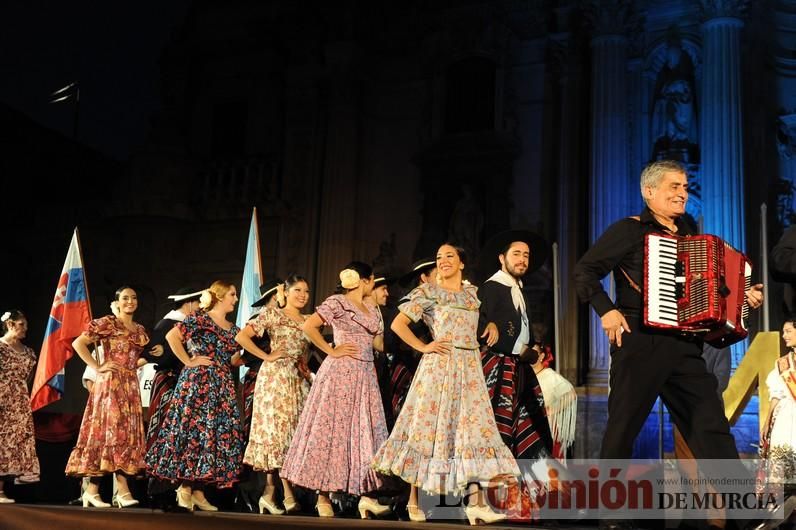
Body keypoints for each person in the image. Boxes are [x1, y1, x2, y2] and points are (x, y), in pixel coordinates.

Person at [573, 160, 764, 529]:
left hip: (685, 346)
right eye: (673, 186)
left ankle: (743, 513)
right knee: (623, 427)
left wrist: (744, 299)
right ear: (650, 192)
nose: (682, 193)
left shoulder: (690, 233)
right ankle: (612, 516)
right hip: (640, 344)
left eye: (685, 187)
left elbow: (712, 289)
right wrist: (607, 311)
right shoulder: (628, 231)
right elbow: (585, 271)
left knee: (710, 425)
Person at [372, 243, 520, 525]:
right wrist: (424, 346)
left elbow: (479, 322)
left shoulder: (472, 294)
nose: (443, 261)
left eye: (449, 256)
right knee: (426, 429)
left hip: (470, 369)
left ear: (462, 263)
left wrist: (490, 327)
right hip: (439, 367)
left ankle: (476, 503)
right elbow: (398, 325)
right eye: (439, 257)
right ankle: (414, 499)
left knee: (473, 431)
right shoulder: (428, 292)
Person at [281, 262, 391, 519]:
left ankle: (366, 496)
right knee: (334, 430)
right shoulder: (337, 302)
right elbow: (309, 327)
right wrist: (331, 350)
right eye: (372, 281)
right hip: (340, 374)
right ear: (367, 280)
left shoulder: (372, 309)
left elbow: (377, 342)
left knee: (366, 432)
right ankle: (322, 495)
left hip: (365, 375)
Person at [146, 280, 243, 512]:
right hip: (198, 383)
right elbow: (172, 337)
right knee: (193, 432)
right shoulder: (200, 318)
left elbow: (231, 360)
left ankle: (198, 491)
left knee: (211, 435)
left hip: (221, 385)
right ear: (219, 296)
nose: (236, 299)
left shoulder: (233, 328)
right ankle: (185, 488)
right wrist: (188, 361)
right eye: (232, 294)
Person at [66, 286, 151, 508]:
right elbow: (78, 343)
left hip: (130, 384)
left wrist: (148, 357)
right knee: (110, 434)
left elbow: (133, 357)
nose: (130, 301)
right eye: (125, 298)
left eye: (134, 297)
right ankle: (119, 491)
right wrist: (98, 366)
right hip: (111, 384)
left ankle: (96, 491)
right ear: (118, 301)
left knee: (124, 436)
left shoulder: (139, 329)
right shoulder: (108, 323)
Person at [235, 275, 312, 515]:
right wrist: (266, 356)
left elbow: (306, 349)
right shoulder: (272, 314)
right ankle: (287, 494)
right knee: (278, 432)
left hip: (298, 379)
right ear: (285, 292)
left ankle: (269, 494)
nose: (303, 295)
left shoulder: (309, 320)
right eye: (297, 290)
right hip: (275, 378)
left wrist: (305, 367)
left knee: (294, 433)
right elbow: (242, 337)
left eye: (306, 291)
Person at [477, 230, 553, 465]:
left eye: (526, 256)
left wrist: (530, 349)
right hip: (498, 367)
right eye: (516, 254)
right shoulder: (492, 287)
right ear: (502, 258)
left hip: (518, 367)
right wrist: (520, 350)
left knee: (530, 424)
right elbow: (479, 323)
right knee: (499, 428)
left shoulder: (517, 288)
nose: (522, 260)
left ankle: (527, 488)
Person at [142, 287, 202, 508]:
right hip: (169, 383)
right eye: (197, 303)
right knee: (165, 433)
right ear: (188, 304)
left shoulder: (189, 325)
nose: (200, 308)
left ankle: (178, 488)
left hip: (181, 383)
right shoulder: (167, 325)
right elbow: (152, 353)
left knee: (180, 435)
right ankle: (158, 489)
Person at [389, 258, 436, 422]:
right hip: (409, 366)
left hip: (432, 367)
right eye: (438, 274)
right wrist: (423, 346)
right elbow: (396, 330)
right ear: (424, 278)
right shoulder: (411, 302)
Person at [0, 310, 39, 503]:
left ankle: (3, 490)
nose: (25, 329)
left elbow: (28, 379)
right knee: (1, 442)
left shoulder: (29, 352)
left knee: (15, 443)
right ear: (10, 324)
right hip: (2, 400)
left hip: (20, 403)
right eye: (21, 324)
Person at [761, 317, 796, 490]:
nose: (784, 336)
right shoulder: (782, 363)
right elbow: (776, 394)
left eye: (789, 331)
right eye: (783, 332)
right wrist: (767, 422)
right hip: (785, 418)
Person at [530, 348, 576, 462]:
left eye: (534, 352)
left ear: (541, 356)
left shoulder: (549, 374)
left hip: (547, 427)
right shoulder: (525, 376)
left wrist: (552, 410)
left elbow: (571, 393)